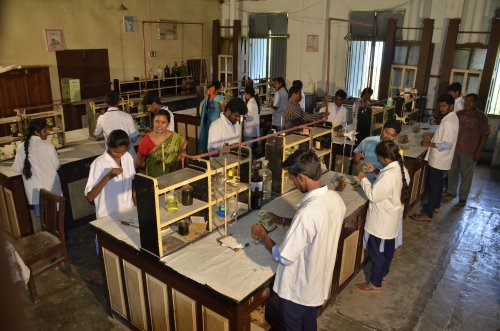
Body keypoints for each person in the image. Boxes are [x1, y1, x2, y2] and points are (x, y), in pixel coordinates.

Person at [251, 149, 345, 330]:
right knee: (309, 323)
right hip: (317, 285)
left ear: (301, 177)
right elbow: (318, 227)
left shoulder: (307, 212)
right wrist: (282, 220)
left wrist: (262, 235)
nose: (293, 183)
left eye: (292, 179)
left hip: (298, 291)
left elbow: (283, 256)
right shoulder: (334, 199)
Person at [355, 141, 409, 293]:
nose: (378, 161)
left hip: (381, 222)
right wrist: (377, 170)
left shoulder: (389, 175)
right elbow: (390, 185)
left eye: (379, 159)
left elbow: (373, 195)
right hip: (391, 220)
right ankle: (382, 273)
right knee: (387, 250)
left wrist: (363, 179)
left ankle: (375, 283)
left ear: (385, 158)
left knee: (376, 254)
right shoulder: (399, 168)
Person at [410, 94, 459, 222]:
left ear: (451, 106)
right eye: (440, 106)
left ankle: (427, 213)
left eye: (444, 106)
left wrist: (429, 144)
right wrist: (432, 135)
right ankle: (436, 206)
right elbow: (444, 136)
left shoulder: (449, 121)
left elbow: (447, 144)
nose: (441, 109)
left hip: (439, 159)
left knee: (433, 186)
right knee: (438, 184)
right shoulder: (452, 118)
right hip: (442, 159)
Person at [443, 93, 490, 207]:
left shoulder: (481, 117)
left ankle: (463, 198)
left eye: (471, 101)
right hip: (455, 150)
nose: (467, 103)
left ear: (476, 103)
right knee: (452, 172)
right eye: (466, 101)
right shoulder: (458, 114)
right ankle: (451, 192)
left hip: (470, 151)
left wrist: (479, 151)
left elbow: (485, 135)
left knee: (466, 176)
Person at [12, 119, 62, 220]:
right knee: (55, 219)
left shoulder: (21, 148)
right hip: (50, 188)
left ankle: (46, 235)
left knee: (44, 220)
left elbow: (17, 169)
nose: (47, 133)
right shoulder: (47, 145)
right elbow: (57, 166)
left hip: (35, 192)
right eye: (45, 131)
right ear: (36, 132)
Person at [85, 129, 135, 219]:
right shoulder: (99, 163)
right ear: (109, 146)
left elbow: (132, 182)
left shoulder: (127, 157)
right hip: (107, 215)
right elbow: (90, 197)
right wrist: (108, 177)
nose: (119, 155)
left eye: (122, 152)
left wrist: (135, 203)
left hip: (128, 210)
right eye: (116, 151)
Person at [136, 109, 188, 177]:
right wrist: (154, 168)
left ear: (168, 124)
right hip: (154, 181)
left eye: (163, 122)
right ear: (153, 122)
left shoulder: (176, 139)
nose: (159, 125)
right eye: (157, 121)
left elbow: (182, 158)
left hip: (173, 178)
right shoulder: (146, 140)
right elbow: (139, 163)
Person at [94, 91, 139, 159]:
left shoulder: (101, 118)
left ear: (106, 103)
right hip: (128, 155)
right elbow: (134, 138)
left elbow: (96, 134)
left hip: (112, 157)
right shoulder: (127, 116)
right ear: (119, 102)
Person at [198, 81, 224, 152]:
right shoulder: (219, 98)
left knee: (208, 137)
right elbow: (223, 111)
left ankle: (205, 153)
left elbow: (202, 108)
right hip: (216, 122)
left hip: (208, 122)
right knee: (215, 139)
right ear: (218, 89)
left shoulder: (207, 97)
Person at [242, 86, 260, 158]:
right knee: (253, 149)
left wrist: (243, 116)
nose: (244, 95)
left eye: (245, 94)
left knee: (248, 150)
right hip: (253, 130)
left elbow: (249, 117)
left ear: (248, 94)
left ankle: (250, 164)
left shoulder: (250, 103)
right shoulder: (253, 101)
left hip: (249, 131)